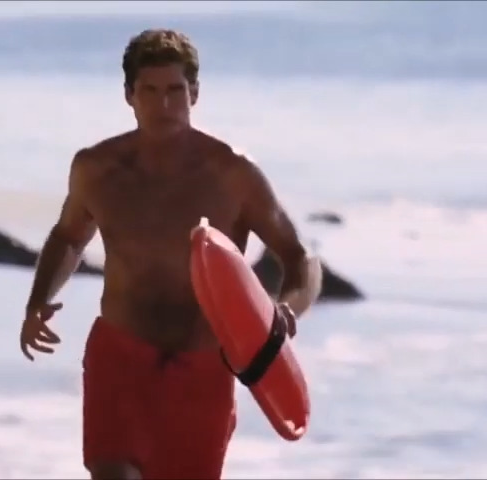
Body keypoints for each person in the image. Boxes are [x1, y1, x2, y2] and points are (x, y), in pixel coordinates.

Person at [20, 29, 309, 480]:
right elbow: (69, 238)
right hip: (120, 356)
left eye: (176, 90)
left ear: (194, 92)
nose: (165, 104)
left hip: (203, 370)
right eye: (150, 91)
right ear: (129, 95)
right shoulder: (97, 169)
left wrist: (285, 311)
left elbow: (299, 259)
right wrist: (39, 300)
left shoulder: (233, 174)